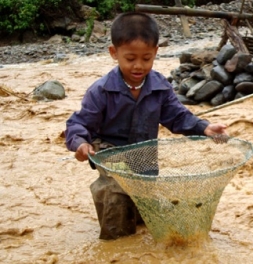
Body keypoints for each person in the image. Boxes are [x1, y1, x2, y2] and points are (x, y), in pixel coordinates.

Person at [64, 12, 227, 240]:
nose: (138, 65)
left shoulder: (160, 87)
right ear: (114, 53)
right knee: (115, 191)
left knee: (144, 200)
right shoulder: (100, 90)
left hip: (145, 154)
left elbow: (177, 116)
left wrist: (204, 128)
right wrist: (80, 143)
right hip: (111, 152)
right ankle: (117, 246)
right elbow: (79, 123)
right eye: (130, 59)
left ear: (156, 53)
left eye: (146, 58)